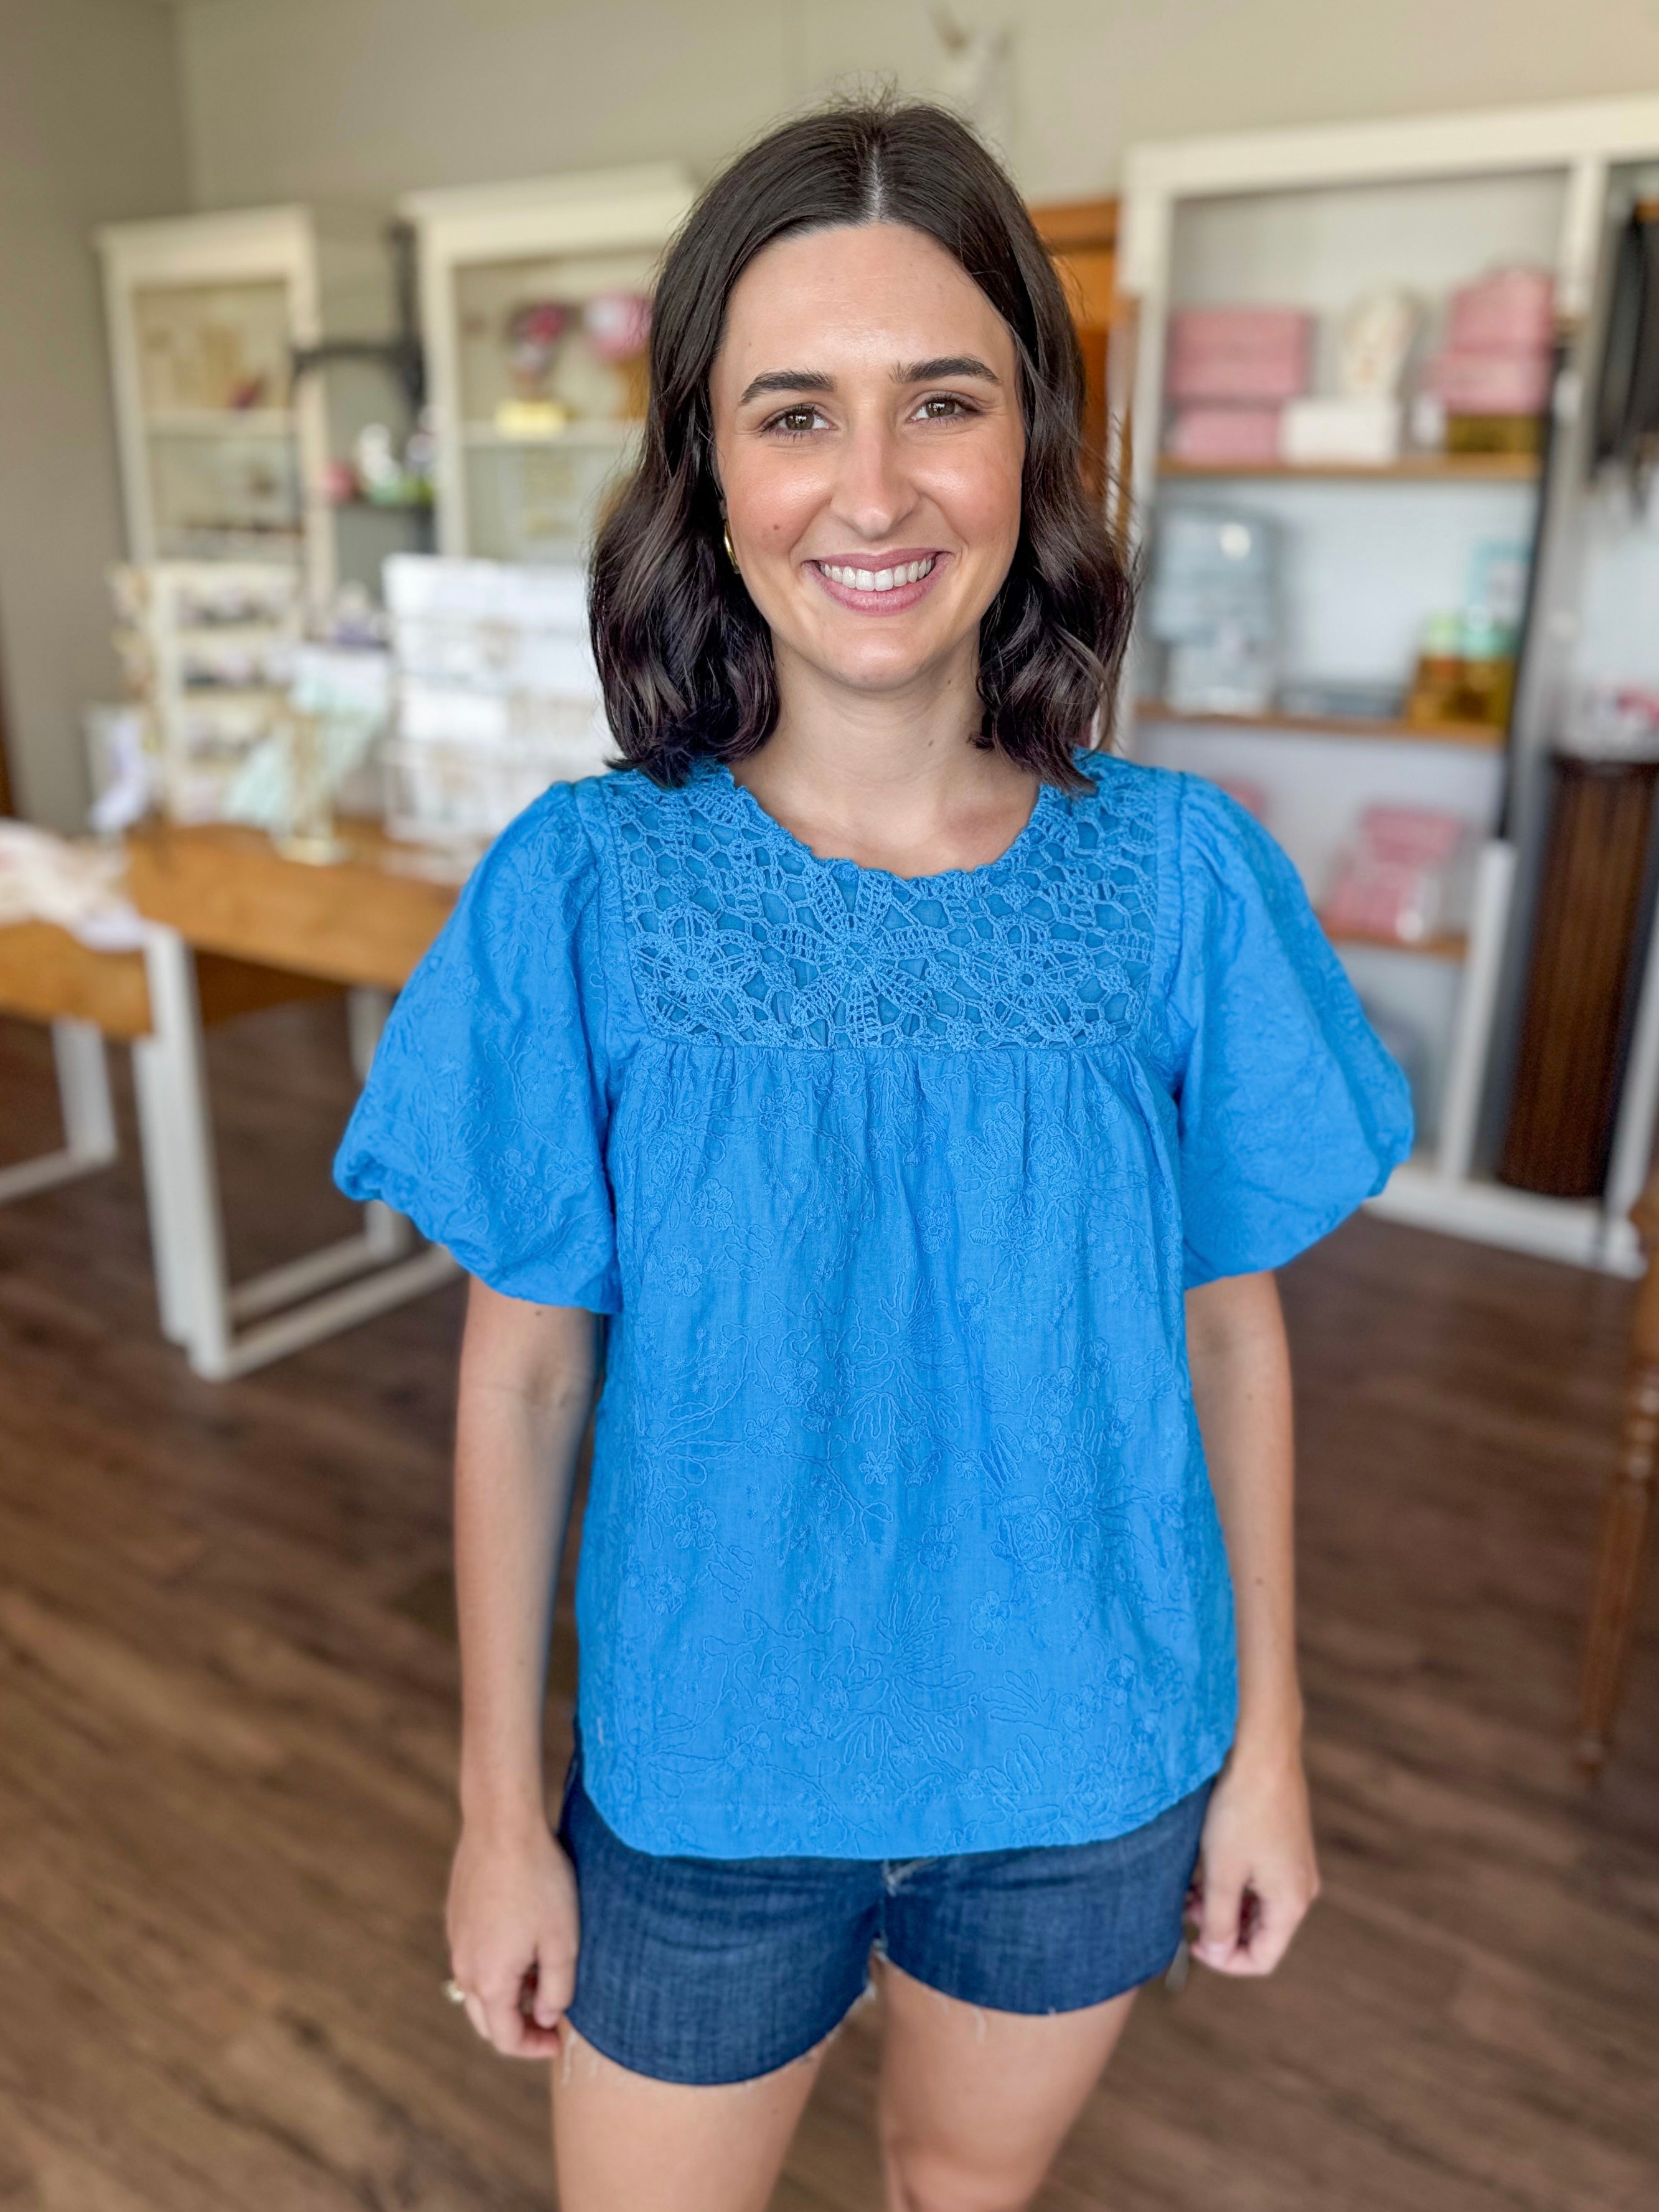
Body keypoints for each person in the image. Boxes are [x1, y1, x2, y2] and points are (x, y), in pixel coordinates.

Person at [336, 96, 1412, 2212]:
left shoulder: (1179, 878)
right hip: (703, 1781)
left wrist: (1266, 1745)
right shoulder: (581, 887)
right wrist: (495, 1812)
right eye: (793, 413)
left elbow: (1225, 1333)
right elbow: (523, 1374)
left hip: (1086, 1761)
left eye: (942, 399)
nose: (872, 487)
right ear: (706, 466)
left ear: (1031, 440)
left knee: (960, 2191)